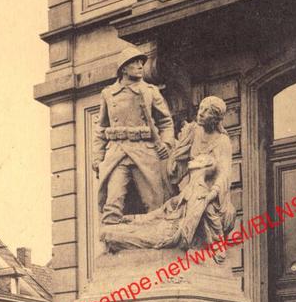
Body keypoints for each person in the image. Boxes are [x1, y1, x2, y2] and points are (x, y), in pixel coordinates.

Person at [100, 96, 236, 262]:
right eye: (200, 108)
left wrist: (211, 195)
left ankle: (125, 232)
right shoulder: (194, 131)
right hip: (187, 196)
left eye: (207, 111)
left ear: (215, 119)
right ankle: (131, 224)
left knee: (174, 228)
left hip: (211, 200)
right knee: (163, 215)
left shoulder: (222, 142)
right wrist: (164, 159)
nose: (200, 113)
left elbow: (224, 174)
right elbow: (176, 164)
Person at [92, 46, 175, 225]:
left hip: (144, 151)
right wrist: (97, 158)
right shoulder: (108, 94)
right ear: (123, 68)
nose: (140, 66)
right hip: (117, 153)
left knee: (154, 204)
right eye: (135, 62)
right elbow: (101, 129)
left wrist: (167, 144)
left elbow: (166, 122)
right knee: (112, 203)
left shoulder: (151, 91)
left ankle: (155, 244)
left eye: (141, 63)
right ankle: (111, 247)